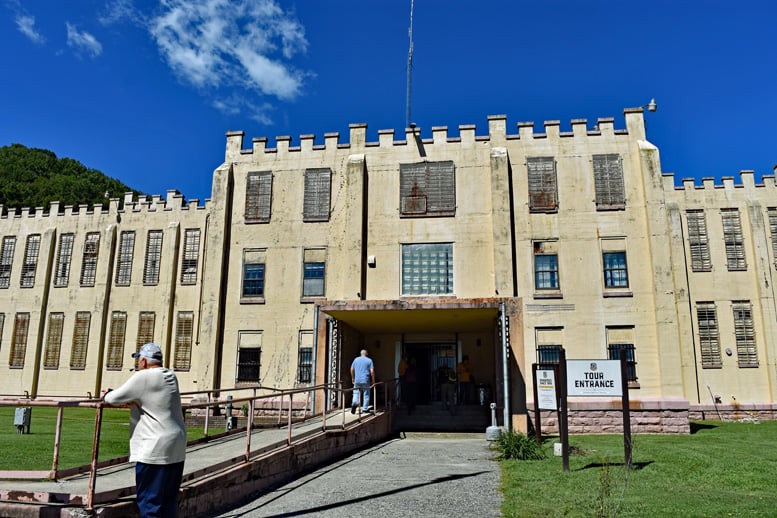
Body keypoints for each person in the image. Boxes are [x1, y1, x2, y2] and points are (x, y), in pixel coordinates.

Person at [103, 343, 187, 518]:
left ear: (143, 361)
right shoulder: (170, 375)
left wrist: (107, 393)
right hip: (176, 445)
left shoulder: (143, 377)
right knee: (168, 501)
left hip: (154, 447)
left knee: (150, 502)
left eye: (138, 360)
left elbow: (114, 397)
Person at [350, 349, 375, 414]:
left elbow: (352, 369)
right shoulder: (369, 360)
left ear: (361, 354)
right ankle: (365, 409)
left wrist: (353, 378)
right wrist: (373, 381)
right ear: (366, 354)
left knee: (356, 393)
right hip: (365, 380)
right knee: (366, 394)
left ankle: (355, 403)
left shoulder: (356, 359)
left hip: (357, 380)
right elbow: (372, 371)